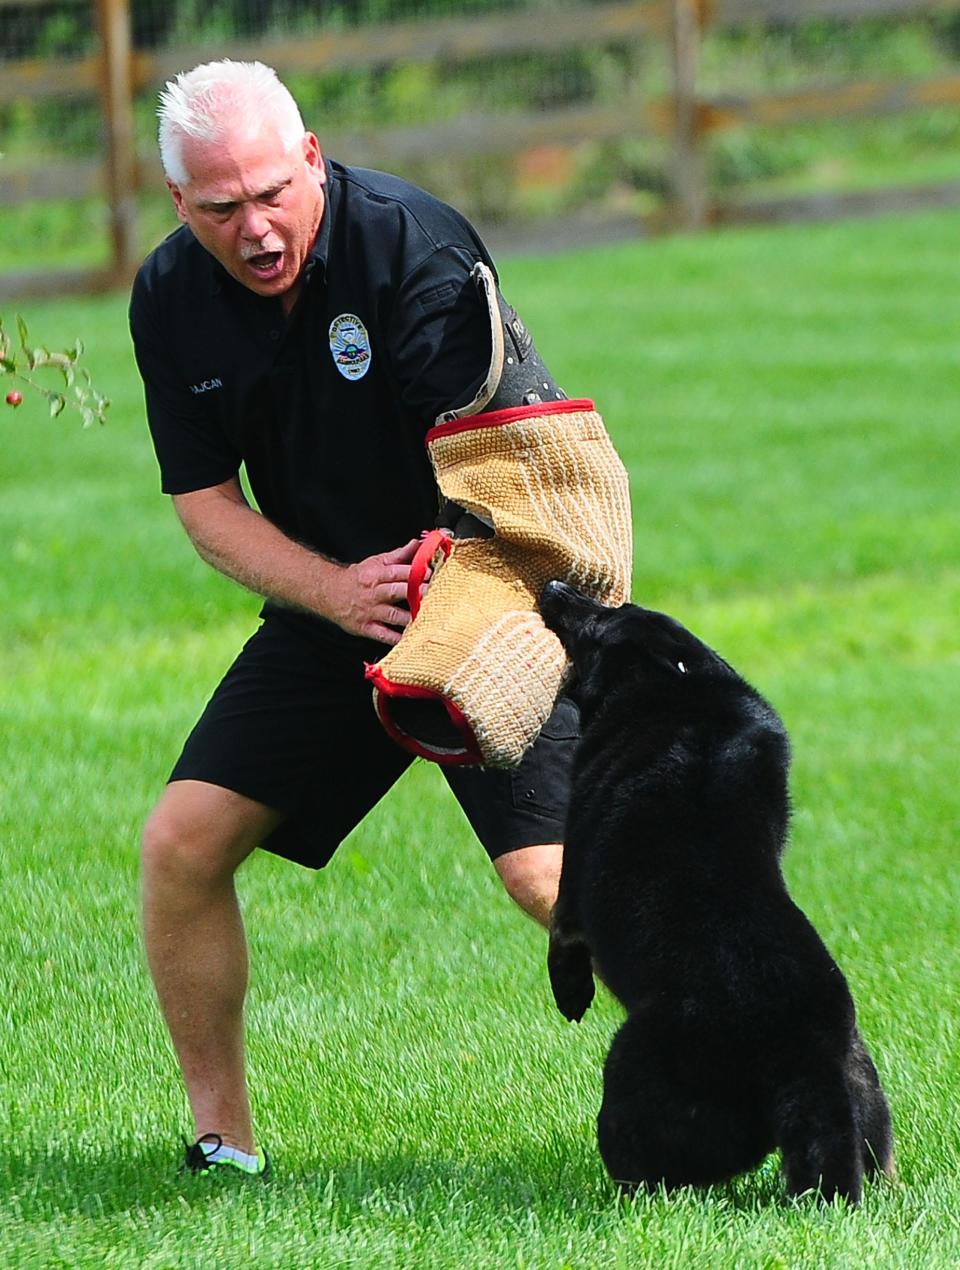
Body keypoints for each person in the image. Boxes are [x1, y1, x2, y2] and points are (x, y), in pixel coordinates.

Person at [130, 58, 583, 1178]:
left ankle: (790, 1051)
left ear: (313, 159)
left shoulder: (415, 251)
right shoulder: (170, 298)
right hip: (338, 599)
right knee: (182, 847)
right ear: (180, 205)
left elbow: (505, 480)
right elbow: (205, 504)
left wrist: (431, 598)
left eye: (274, 191)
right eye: (223, 208)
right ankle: (222, 1145)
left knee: (551, 880)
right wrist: (337, 593)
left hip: (485, 589)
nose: (259, 227)